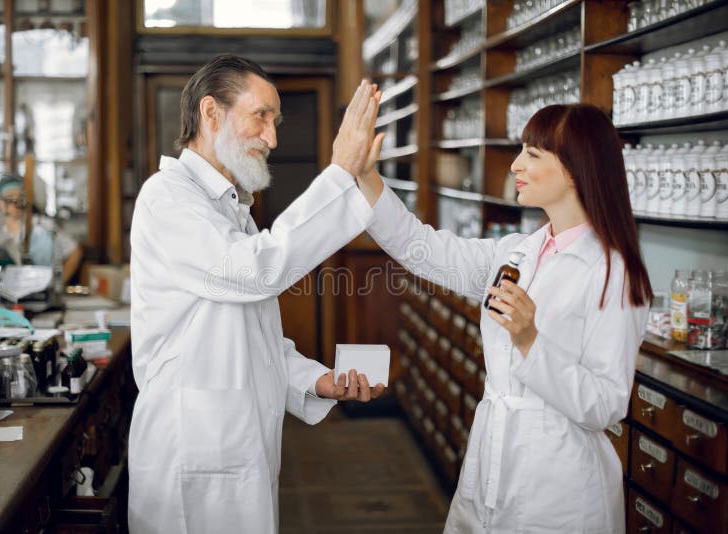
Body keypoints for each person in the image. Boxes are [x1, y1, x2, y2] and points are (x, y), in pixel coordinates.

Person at [356, 104, 652, 533]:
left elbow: (606, 405)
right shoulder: (514, 251)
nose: (516, 165)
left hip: (560, 483)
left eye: (533, 154)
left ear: (575, 169)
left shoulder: (613, 273)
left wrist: (530, 340)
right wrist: (368, 179)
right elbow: (419, 246)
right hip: (490, 463)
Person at [128, 55, 386, 533]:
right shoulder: (168, 198)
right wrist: (339, 173)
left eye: (276, 121)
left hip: (236, 447)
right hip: (193, 453)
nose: (272, 138)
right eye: (261, 116)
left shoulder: (229, 208)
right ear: (211, 113)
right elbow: (257, 271)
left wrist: (315, 380)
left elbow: (252, 339)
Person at [0, 173, 83, 284]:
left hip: (42, 293)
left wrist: (58, 284)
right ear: (0, 201)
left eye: (18, 197)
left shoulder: (43, 225)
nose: (14, 202)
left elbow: (75, 252)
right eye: (9, 198)